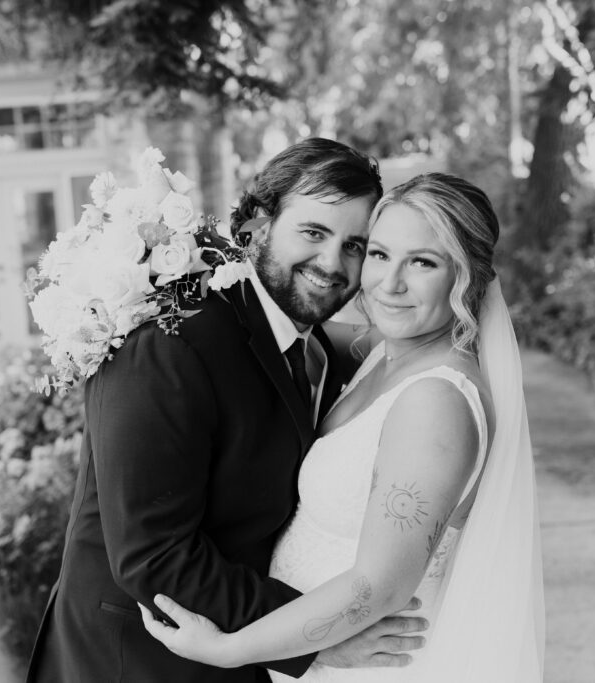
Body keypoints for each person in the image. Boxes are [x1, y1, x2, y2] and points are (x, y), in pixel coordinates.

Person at [25, 138, 431, 683]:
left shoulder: (315, 351)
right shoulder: (172, 343)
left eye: (356, 245)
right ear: (256, 228)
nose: (333, 264)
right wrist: (317, 640)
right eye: (313, 232)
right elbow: (155, 555)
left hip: (231, 658)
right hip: (133, 662)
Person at [140, 173, 546, 681]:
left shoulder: (436, 402)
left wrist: (232, 649)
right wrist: (146, 281)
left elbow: (380, 586)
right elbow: (271, 318)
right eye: (378, 254)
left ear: (468, 278)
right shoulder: (381, 353)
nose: (389, 283)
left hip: (374, 666)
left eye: (422, 262)